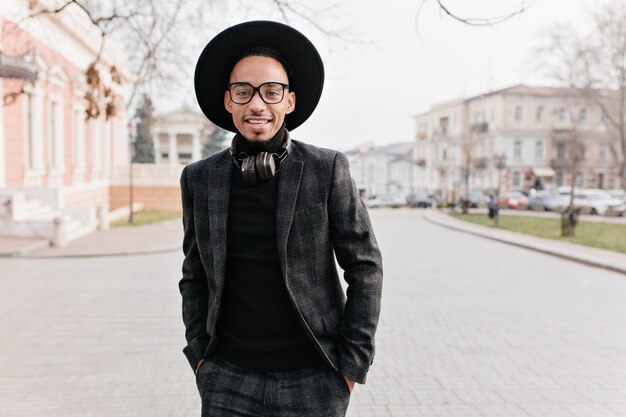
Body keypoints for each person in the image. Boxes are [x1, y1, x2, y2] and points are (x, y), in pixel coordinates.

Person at [179, 20, 383, 417]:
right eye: (244, 92)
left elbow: (366, 266)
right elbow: (194, 273)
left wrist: (350, 367)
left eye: (271, 92)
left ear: (289, 101)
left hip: (315, 378)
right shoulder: (199, 179)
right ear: (228, 100)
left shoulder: (327, 169)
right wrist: (201, 357)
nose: (258, 104)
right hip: (227, 380)